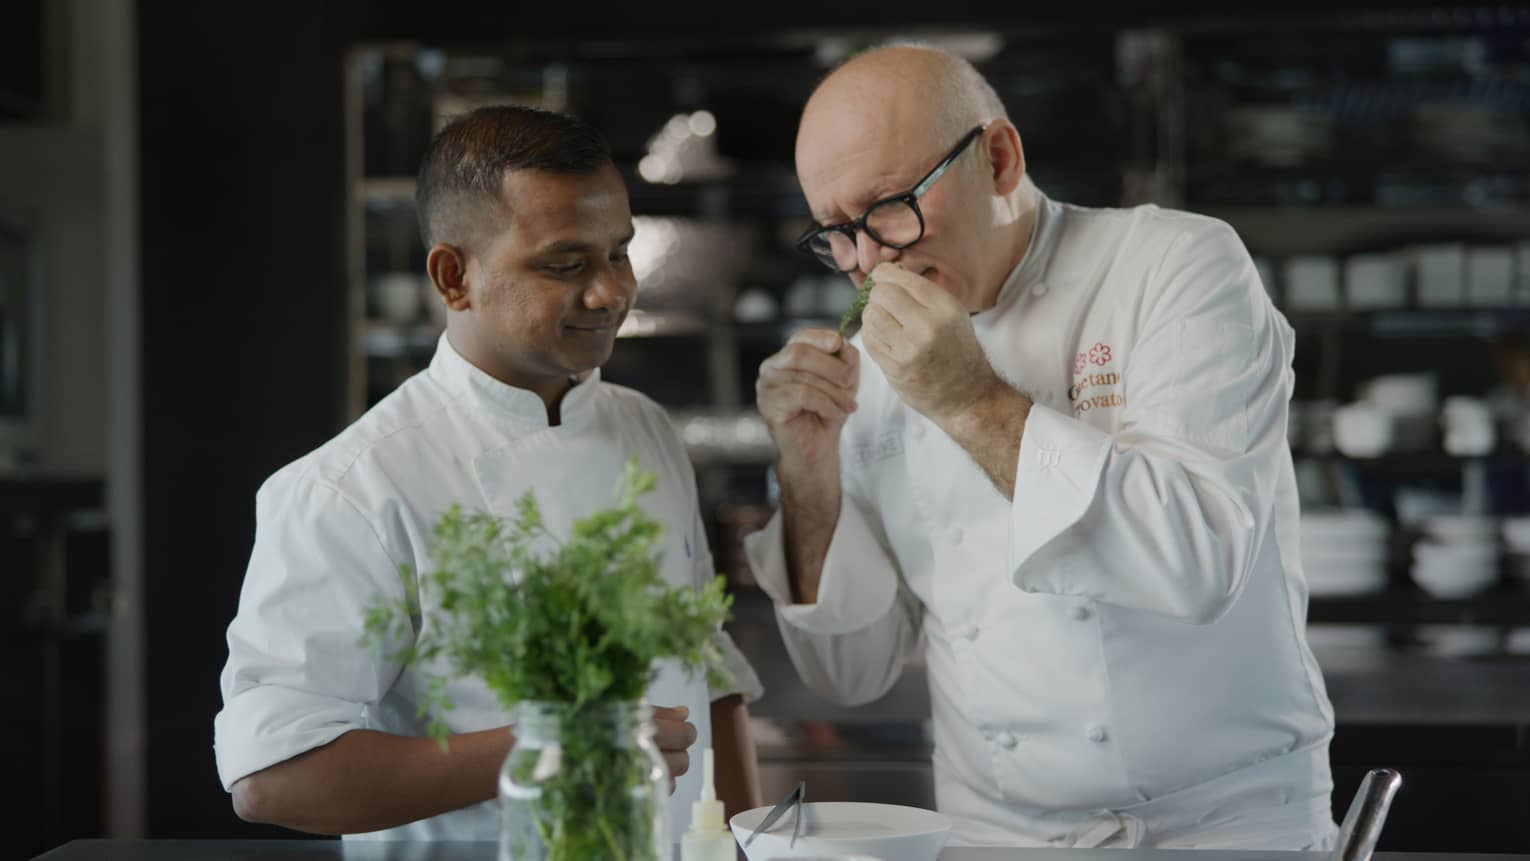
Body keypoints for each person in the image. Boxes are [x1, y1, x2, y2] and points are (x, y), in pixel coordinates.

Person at [747, 43, 1337, 849]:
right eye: (837, 233)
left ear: (997, 157)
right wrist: (807, 474)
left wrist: (968, 400)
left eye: (888, 205)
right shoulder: (873, 363)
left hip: (1221, 826)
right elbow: (850, 670)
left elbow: (1198, 558)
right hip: (996, 834)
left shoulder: (1177, 265)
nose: (870, 260)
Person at [214, 105, 763, 840]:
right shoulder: (348, 487)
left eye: (619, 253)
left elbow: (708, 670)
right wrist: (552, 746)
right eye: (565, 263)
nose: (609, 293)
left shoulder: (645, 428)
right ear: (453, 276)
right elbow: (274, 774)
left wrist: (740, 842)